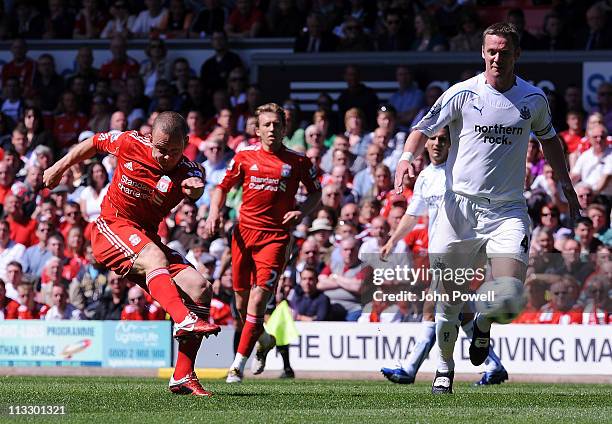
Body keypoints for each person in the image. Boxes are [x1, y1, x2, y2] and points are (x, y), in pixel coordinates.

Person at [394, 23, 580, 394]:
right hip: (457, 209)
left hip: (507, 210)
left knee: (510, 296)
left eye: (504, 51)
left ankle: (482, 324)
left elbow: (551, 142)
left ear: (517, 54)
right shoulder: (462, 94)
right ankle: (444, 369)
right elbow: (422, 127)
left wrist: (566, 185)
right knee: (447, 301)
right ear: (483, 53)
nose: (497, 57)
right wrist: (404, 158)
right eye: (491, 51)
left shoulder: (533, 99)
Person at [43, 111, 220, 397]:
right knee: (155, 258)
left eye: (174, 151)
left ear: (186, 143)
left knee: (200, 288)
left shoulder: (190, 171)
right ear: (150, 139)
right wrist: (58, 167)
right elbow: (94, 143)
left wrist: (194, 192)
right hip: (110, 228)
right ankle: (183, 318)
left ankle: (183, 374)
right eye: (161, 150)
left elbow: (195, 188)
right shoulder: (129, 142)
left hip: (145, 240)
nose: (166, 157)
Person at [205, 103, 321, 383]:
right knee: (242, 306)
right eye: (266, 124)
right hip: (243, 236)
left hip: (276, 239)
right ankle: (266, 339)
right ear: (257, 130)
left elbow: (317, 193)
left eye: (276, 125)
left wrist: (302, 211)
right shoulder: (244, 157)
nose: (272, 129)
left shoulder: (298, 161)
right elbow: (221, 188)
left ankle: (236, 367)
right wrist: (214, 212)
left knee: (258, 301)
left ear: (284, 129)